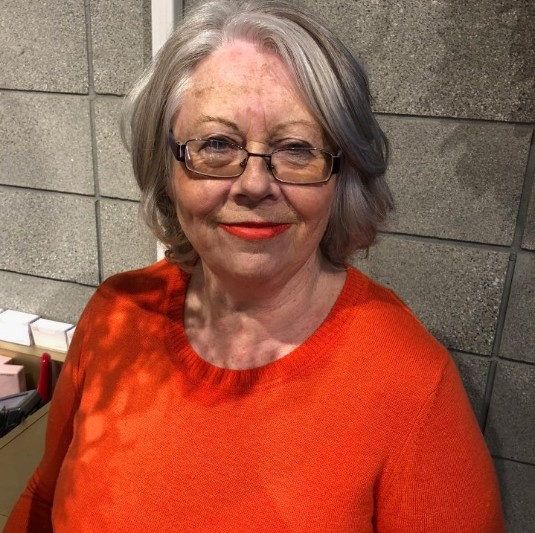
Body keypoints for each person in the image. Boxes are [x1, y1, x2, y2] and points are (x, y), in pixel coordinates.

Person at [5, 1, 505, 531]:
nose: (254, 184)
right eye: (217, 144)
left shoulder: (413, 387)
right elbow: (43, 497)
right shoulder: (115, 314)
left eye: (297, 149)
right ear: (166, 166)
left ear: (343, 175)